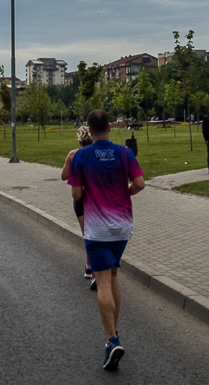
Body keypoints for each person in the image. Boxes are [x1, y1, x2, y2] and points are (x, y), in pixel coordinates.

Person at [68, 109, 145, 371]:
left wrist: (90, 192)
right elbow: (140, 183)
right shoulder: (125, 153)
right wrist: (125, 193)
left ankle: (112, 340)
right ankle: (114, 331)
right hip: (122, 226)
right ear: (110, 127)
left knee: (102, 281)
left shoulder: (82, 155)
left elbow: (77, 194)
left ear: (89, 130)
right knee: (112, 275)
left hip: (97, 228)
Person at [61, 125, 94, 284]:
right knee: (95, 233)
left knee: (87, 234)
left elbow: (63, 176)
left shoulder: (72, 155)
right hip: (95, 197)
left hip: (79, 199)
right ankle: (91, 266)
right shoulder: (97, 153)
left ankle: (90, 266)